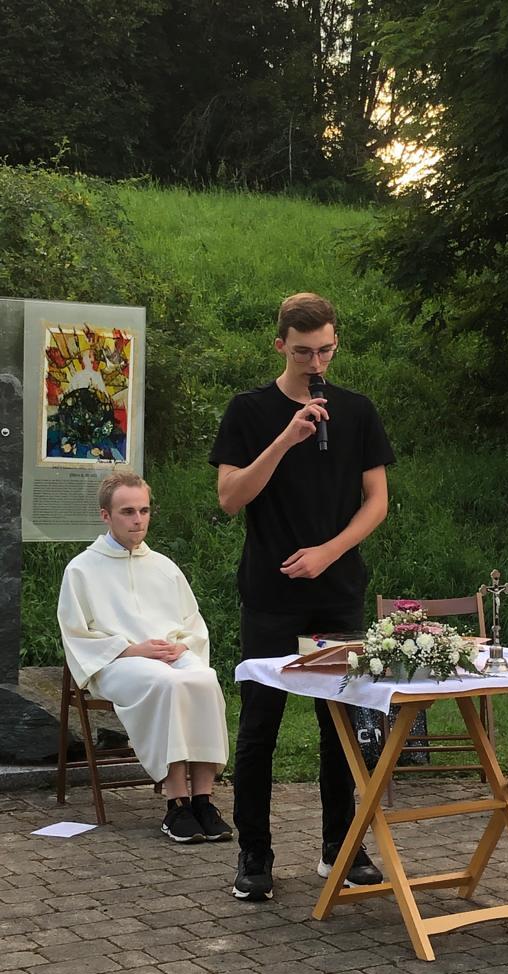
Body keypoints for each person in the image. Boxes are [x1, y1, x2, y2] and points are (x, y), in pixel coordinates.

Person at [209, 292, 395, 902]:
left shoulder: (357, 411)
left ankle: (341, 848)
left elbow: (377, 501)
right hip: (270, 593)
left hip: (336, 591)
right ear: (280, 346)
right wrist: (285, 438)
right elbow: (231, 497)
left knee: (340, 724)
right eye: (303, 352)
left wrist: (329, 552)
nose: (317, 363)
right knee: (260, 725)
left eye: (326, 351)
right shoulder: (249, 410)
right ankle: (254, 855)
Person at [57, 470, 232, 844]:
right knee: (165, 683)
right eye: (127, 512)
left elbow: (192, 624)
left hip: (168, 656)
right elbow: (76, 635)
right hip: (115, 663)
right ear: (106, 515)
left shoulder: (164, 566)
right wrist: (132, 649)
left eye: (144, 510)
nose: (138, 520)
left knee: (204, 679)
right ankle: (176, 804)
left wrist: (183, 646)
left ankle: (203, 800)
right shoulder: (81, 569)